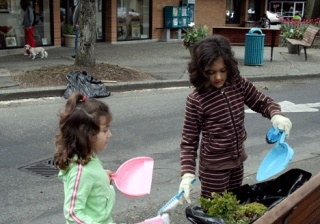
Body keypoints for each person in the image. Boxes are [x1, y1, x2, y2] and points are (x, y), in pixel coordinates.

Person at [178, 35, 292, 201]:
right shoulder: (196, 99)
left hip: (237, 162)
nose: (218, 77)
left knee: (236, 207)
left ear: (229, 67)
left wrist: (276, 115)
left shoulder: (238, 84)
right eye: (211, 72)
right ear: (201, 71)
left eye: (222, 70)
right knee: (214, 212)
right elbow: (189, 141)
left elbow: (262, 102)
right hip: (213, 170)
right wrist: (187, 174)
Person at [54, 92, 115, 223]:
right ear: (88, 135)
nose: (110, 134)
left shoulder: (88, 156)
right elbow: (73, 213)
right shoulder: (80, 171)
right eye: (105, 130)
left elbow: (91, 177)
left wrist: (102, 176)